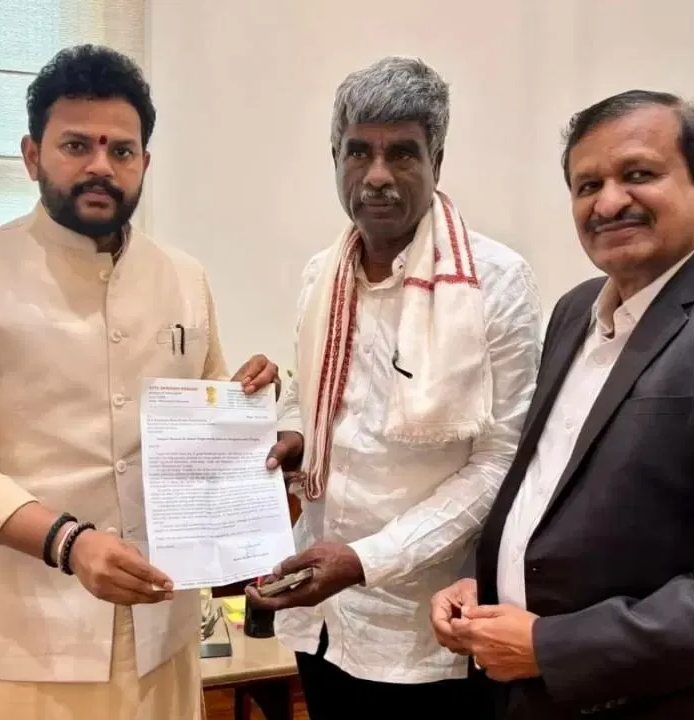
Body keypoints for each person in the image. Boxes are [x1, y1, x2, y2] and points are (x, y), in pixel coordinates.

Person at [431, 90, 694, 719]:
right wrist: (486, 581)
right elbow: (545, 485)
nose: (608, 202)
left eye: (639, 174)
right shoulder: (575, 311)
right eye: (587, 185)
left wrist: (553, 648)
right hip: (528, 694)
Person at [0, 44, 277, 720]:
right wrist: (69, 544)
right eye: (77, 145)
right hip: (13, 646)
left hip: (161, 632)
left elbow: (207, 416)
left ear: (144, 164)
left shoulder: (184, 278)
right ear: (32, 155)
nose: (101, 165)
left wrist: (246, 401)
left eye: (121, 150)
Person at [245, 56, 543, 718]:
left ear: (438, 160)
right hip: (321, 617)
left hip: (425, 630)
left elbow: (500, 462)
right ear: (335, 159)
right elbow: (308, 391)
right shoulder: (322, 273)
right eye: (359, 152)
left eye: (402, 153)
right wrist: (291, 431)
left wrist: (366, 560)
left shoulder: (496, 281)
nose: (377, 175)